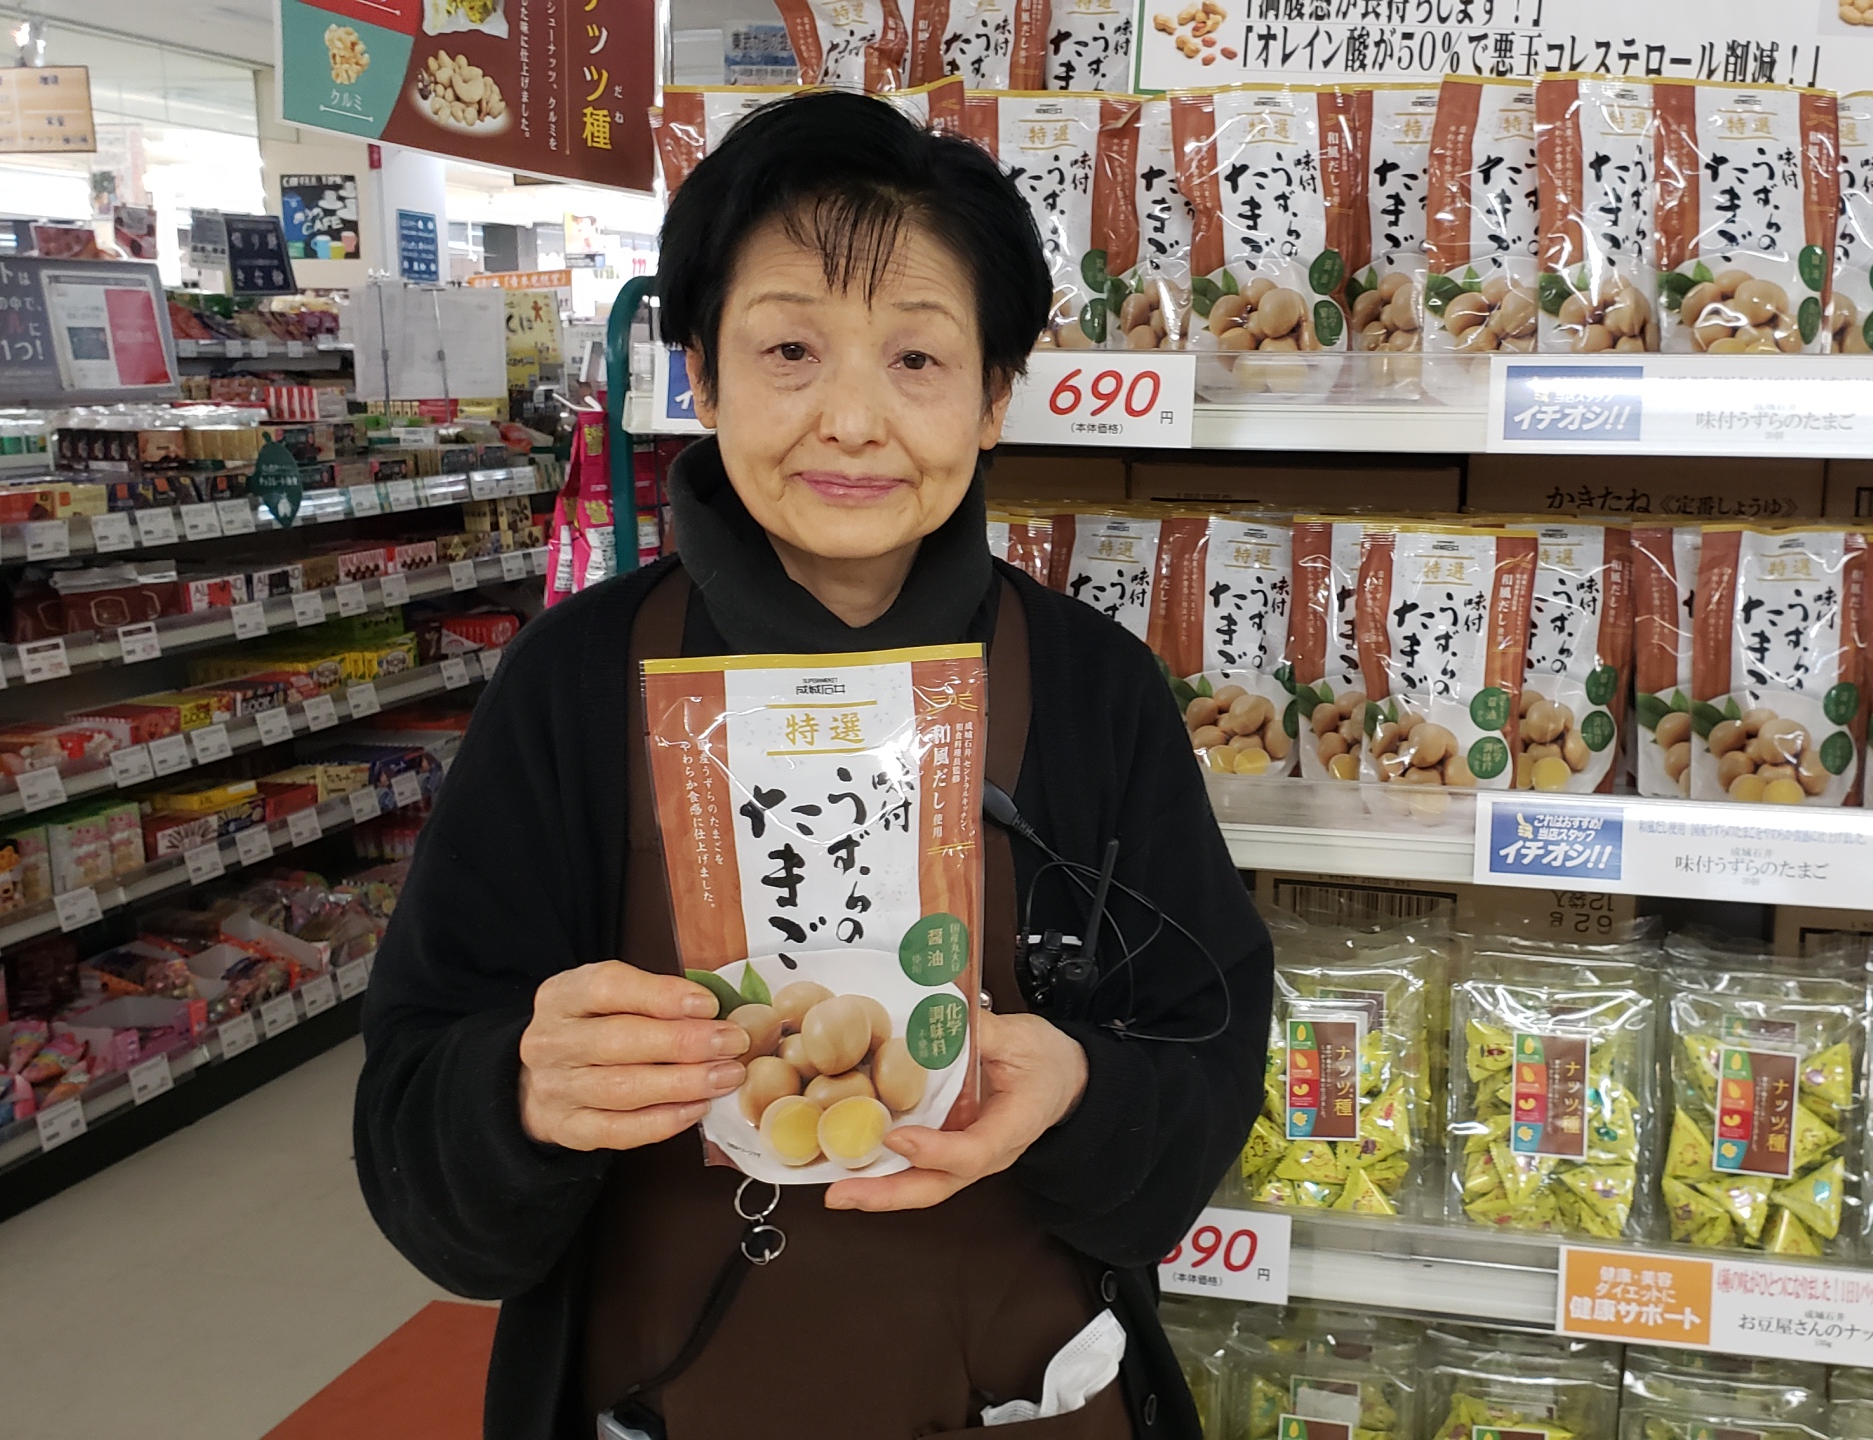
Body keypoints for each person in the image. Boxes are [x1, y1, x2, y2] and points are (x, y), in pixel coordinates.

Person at [354, 91, 1271, 1440]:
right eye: (790, 348)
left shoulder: (1095, 689)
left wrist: (1087, 1097)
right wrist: (519, 1095)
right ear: (704, 376)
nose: (851, 418)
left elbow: (1210, 1050)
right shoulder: (572, 683)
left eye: (917, 358)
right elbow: (413, 1126)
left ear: (994, 398)